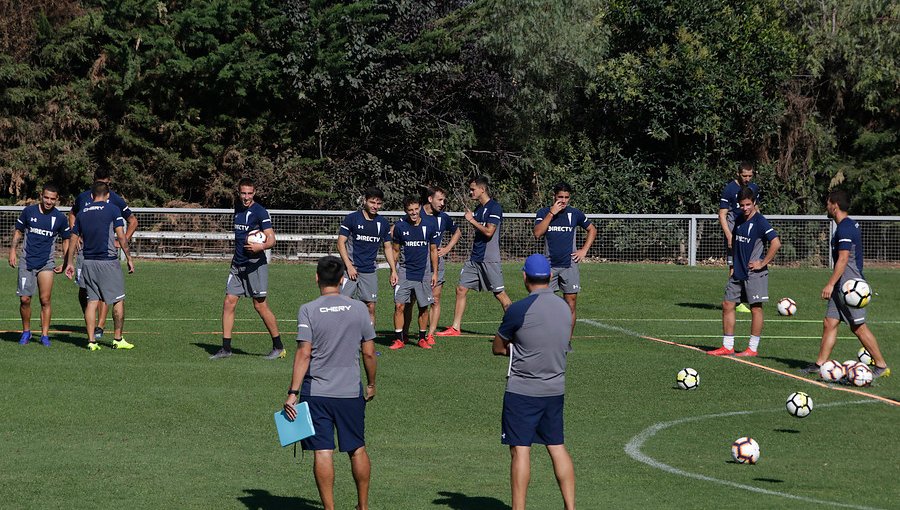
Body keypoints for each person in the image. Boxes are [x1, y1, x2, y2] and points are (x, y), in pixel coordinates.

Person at [283, 255, 377, 510]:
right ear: (343, 279)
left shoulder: (308, 309)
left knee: (322, 451)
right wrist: (371, 384)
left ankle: (329, 508)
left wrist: (293, 392)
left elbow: (304, 353)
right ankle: (363, 506)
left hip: (317, 393)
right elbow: (369, 352)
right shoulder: (359, 308)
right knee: (357, 448)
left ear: (316, 278)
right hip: (350, 392)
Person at [492, 254, 575, 510]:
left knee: (520, 450)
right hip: (555, 389)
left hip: (523, 391)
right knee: (556, 446)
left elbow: (498, 347)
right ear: (550, 277)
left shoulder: (518, 308)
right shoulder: (564, 308)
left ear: (525, 278)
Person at [802, 190, 890, 378]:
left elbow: (843, 259)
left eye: (827, 203)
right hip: (841, 285)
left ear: (835, 205)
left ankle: (881, 366)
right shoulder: (844, 226)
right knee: (830, 322)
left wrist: (830, 284)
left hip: (850, 287)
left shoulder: (845, 228)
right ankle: (820, 364)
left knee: (858, 327)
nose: (826, 206)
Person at [210, 178, 284, 360]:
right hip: (237, 264)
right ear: (238, 192)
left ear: (254, 192)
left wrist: (262, 247)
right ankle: (226, 348)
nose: (246, 197)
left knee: (260, 305)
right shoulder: (237, 208)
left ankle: (279, 346)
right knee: (229, 302)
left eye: (250, 193)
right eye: (243, 193)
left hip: (254, 267)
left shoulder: (260, 212)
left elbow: (272, 239)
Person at [708, 187, 781, 357]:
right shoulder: (739, 219)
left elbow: (776, 243)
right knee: (727, 304)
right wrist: (733, 265)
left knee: (755, 308)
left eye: (748, 204)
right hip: (738, 272)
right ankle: (727, 346)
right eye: (742, 205)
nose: (745, 208)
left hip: (754, 274)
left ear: (754, 203)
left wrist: (762, 263)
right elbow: (735, 243)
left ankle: (752, 349)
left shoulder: (760, 221)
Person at [68, 168, 138, 341]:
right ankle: (117, 339)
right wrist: (128, 256)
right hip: (100, 259)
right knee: (111, 297)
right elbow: (72, 216)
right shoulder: (106, 207)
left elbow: (132, 221)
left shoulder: (106, 204)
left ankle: (96, 331)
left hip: (91, 259)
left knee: (96, 297)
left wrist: (68, 261)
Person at [437, 176, 511, 336]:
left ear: (482, 189)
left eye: (472, 189)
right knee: (461, 289)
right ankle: (456, 327)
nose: (470, 192)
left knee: (500, 294)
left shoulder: (494, 208)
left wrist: (472, 220)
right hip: (474, 258)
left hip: (489, 259)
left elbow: (489, 232)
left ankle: (514, 328)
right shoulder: (479, 209)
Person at [8, 184, 71, 346]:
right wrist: (13, 251)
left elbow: (66, 240)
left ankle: (44, 335)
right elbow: (18, 231)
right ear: (41, 196)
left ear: (57, 199)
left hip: (47, 264)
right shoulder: (29, 211)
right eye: (46, 197)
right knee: (25, 299)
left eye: (52, 199)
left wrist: (66, 261)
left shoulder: (60, 218)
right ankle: (26, 332)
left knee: (45, 300)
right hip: (27, 262)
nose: (49, 201)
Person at [533, 182, 597, 335]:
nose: (563, 200)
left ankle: (566, 341)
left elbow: (592, 229)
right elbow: (537, 233)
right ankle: (548, 338)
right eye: (560, 197)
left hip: (570, 265)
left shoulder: (575, 213)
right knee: (545, 304)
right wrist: (551, 213)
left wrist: (584, 250)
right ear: (554, 196)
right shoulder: (543, 212)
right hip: (549, 266)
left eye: (566, 197)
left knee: (571, 304)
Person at [337, 187, 399, 327]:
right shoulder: (352, 218)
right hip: (350, 270)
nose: (375, 206)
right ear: (365, 201)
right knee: (342, 306)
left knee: (370, 307)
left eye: (378, 203)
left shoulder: (382, 223)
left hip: (369, 271)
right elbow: (340, 243)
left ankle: (368, 344)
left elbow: (388, 247)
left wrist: (393, 270)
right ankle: (342, 344)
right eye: (372, 202)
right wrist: (349, 266)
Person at [389, 196, 439, 350]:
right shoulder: (400, 227)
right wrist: (393, 271)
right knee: (399, 306)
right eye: (410, 210)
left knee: (423, 307)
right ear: (406, 211)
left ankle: (422, 338)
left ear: (420, 209)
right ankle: (399, 339)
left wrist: (434, 273)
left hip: (423, 274)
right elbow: (395, 250)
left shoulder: (429, 226)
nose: (414, 212)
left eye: (416, 209)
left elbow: (433, 251)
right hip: (404, 273)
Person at [421, 186, 462, 345]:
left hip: (436, 261)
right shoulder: (418, 214)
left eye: (444, 200)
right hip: (417, 262)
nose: (442, 203)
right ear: (430, 199)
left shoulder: (443, 217)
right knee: (412, 300)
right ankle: (403, 334)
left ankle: (430, 334)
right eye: (439, 199)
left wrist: (446, 248)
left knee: (435, 299)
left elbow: (457, 232)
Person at [718, 161, 759, 313]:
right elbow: (722, 214)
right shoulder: (730, 189)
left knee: (750, 264)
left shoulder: (754, 188)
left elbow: (756, 209)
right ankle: (734, 301)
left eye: (750, 175)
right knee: (734, 265)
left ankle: (745, 298)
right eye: (744, 175)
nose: (747, 178)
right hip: (734, 231)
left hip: (749, 231)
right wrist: (729, 235)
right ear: (738, 174)